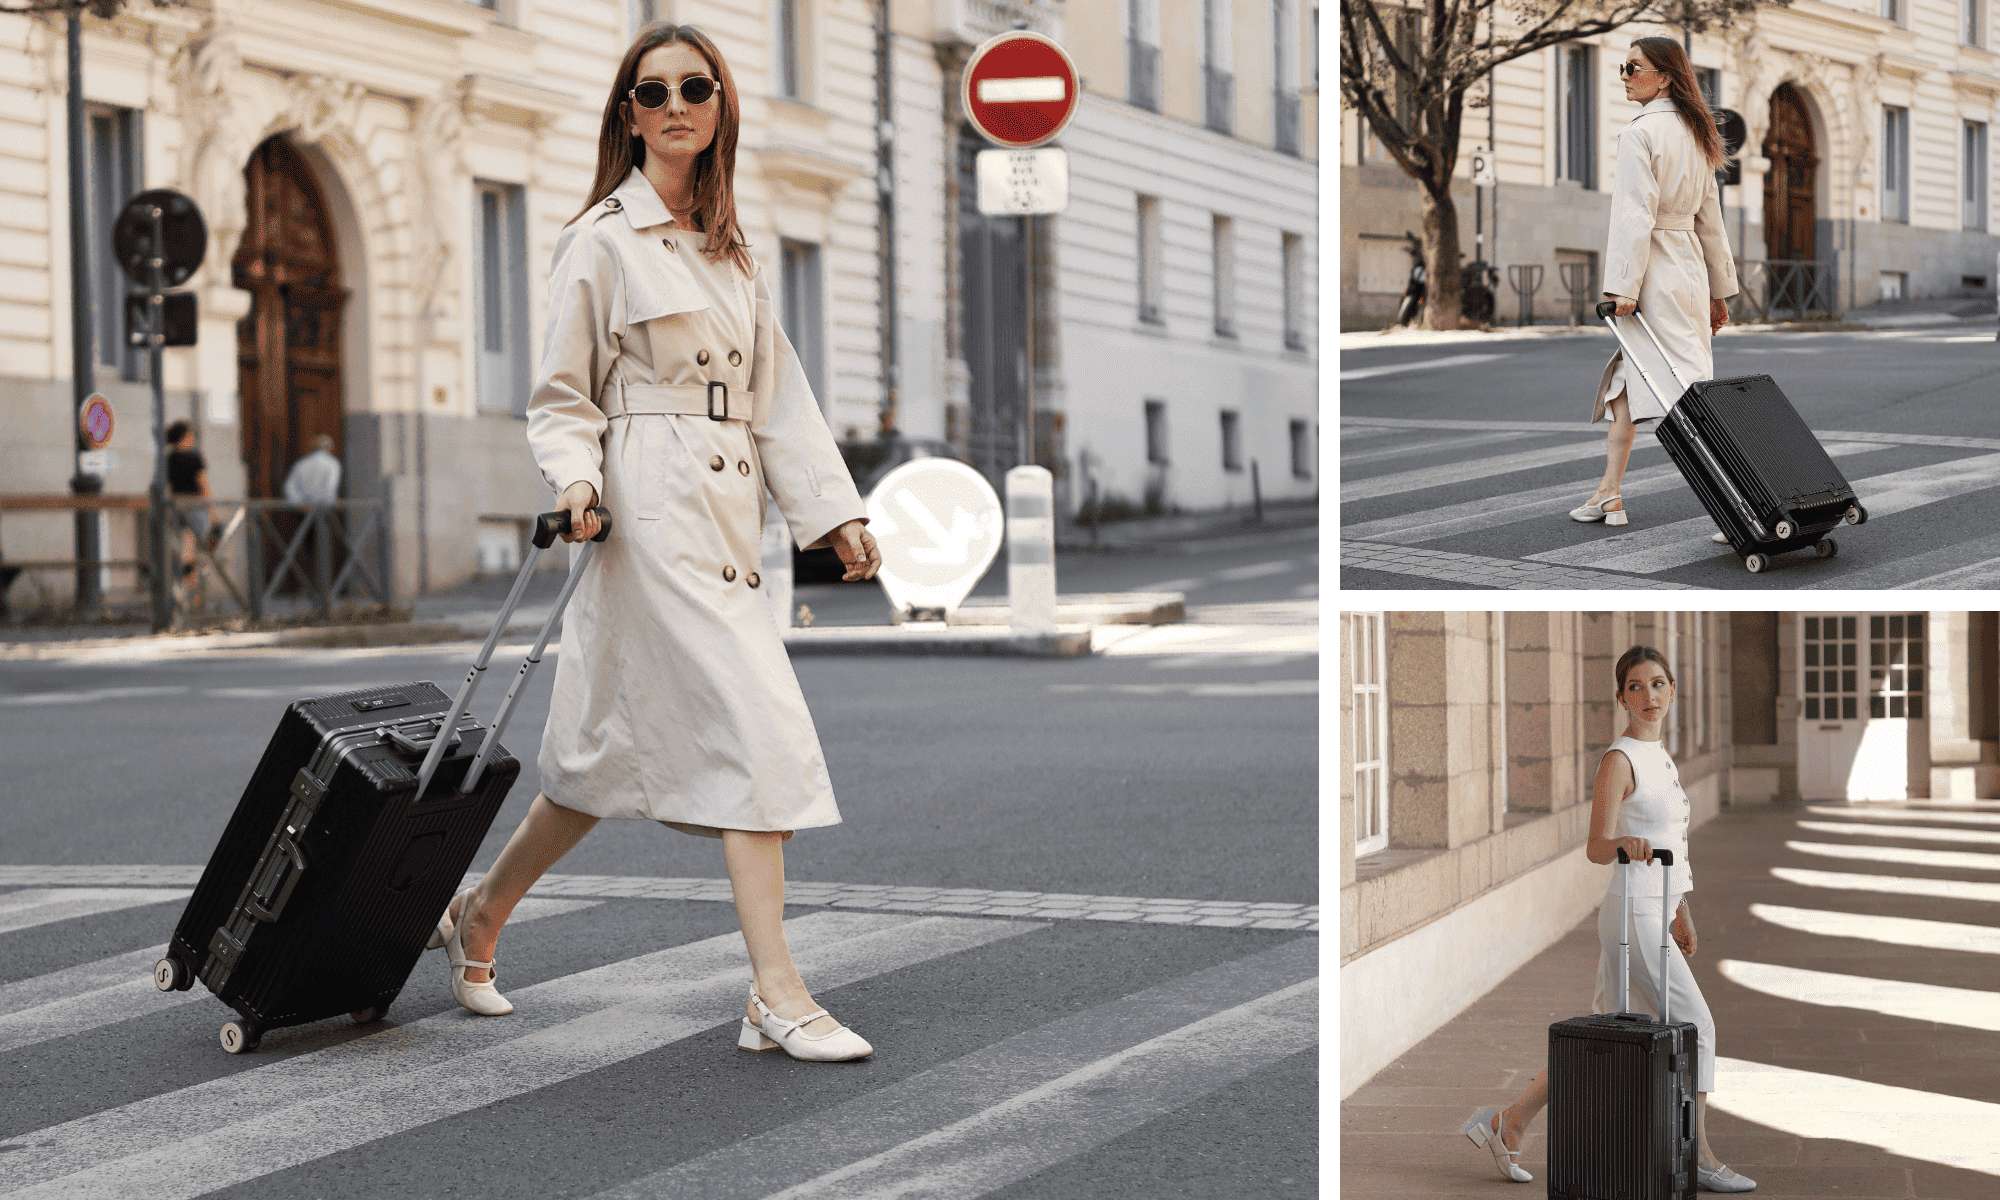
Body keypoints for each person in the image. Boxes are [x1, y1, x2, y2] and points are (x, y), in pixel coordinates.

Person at [428, 22, 884, 1063]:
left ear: (720, 105)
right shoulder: (600, 238)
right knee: (757, 737)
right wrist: (578, 483)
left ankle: (480, 914)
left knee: (598, 762)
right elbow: (561, 393)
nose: (675, 105)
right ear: (628, 115)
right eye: (652, 92)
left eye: (695, 87)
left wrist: (834, 514)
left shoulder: (731, 247)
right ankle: (776, 994)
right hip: (645, 517)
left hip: (727, 515)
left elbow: (778, 393)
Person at [1460, 646, 1755, 1193]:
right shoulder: (1618, 761)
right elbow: (1596, 846)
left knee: (1602, 1034)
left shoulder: (1661, 757)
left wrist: (1681, 910)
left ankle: (1509, 1122)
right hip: (1632, 913)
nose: (1649, 696)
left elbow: (1673, 844)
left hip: (1656, 909)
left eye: (1658, 684)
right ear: (1621, 698)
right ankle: (1698, 1154)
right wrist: (1624, 843)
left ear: (1673, 690)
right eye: (1636, 687)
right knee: (1699, 1028)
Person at [1568, 38, 1739, 540]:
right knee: (1629, 381)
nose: (1623, 75)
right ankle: (1608, 492)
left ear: (1664, 77)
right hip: (1686, 269)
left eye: (1633, 67)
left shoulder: (1640, 133)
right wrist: (1718, 291)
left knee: (1684, 394)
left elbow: (1634, 214)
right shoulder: (1696, 133)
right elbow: (1710, 221)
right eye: (1623, 67)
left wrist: (1623, 286)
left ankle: (1739, 505)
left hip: (1654, 273)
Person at [164, 420, 216, 585]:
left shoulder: (169, 458)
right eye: (191, 435)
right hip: (195, 505)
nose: (193, 439)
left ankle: (184, 583)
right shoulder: (194, 456)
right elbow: (203, 483)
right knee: (198, 547)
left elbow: (166, 485)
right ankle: (193, 586)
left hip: (176, 505)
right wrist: (212, 509)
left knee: (184, 545)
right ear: (184, 437)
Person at [282, 434, 342, 506]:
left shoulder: (302, 463)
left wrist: (299, 502)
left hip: (304, 506)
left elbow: (289, 487)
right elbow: (331, 487)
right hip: (324, 506)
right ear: (330, 447)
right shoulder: (333, 463)